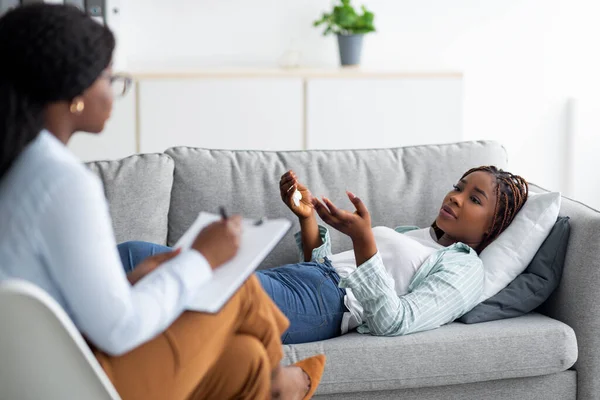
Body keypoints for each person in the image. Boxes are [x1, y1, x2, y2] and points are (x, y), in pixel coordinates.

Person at [0, 4, 324, 400]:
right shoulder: (62, 181)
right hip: (80, 382)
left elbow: (72, 306)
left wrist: (139, 277)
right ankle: (284, 383)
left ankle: (270, 377)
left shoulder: (19, 168)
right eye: (108, 78)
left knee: (245, 358)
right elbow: (119, 330)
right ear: (75, 91)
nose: (114, 90)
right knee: (236, 284)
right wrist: (203, 258)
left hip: (41, 374)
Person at [254, 166, 528, 344]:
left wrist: (362, 238)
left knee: (226, 294)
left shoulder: (466, 268)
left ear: (493, 225)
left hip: (326, 302)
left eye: (475, 199)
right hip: (303, 279)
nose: (455, 197)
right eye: (458, 187)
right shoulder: (416, 235)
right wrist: (307, 218)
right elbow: (332, 269)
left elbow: (394, 321)